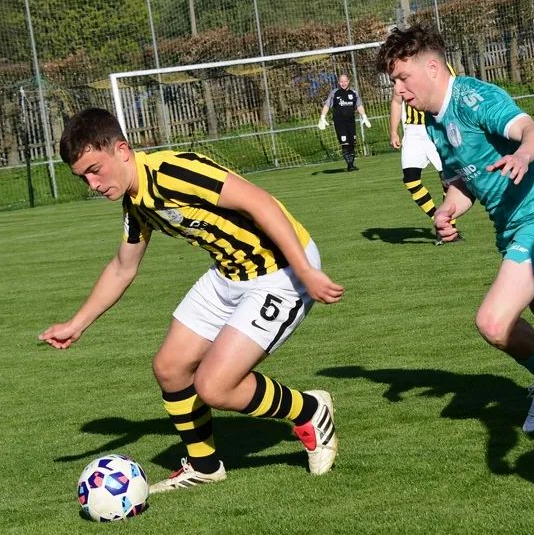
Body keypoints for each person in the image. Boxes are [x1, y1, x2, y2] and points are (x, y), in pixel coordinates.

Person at [39, 108, 343, 492]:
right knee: (170, 367)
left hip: (280, 271)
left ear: (122, 150)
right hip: (229, 273)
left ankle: (310, 410)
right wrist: (76, 324)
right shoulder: (135, 203)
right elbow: (122, 267)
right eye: (83, 177)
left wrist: (305, 270)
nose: (93, 184)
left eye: (95, 170)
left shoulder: (175, 172)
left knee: (214, 387)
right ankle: (205, 466)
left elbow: (260, 202)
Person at [377, 26, 534, 434]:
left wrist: (522, 155)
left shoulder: (475, 98)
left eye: (402, 78)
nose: (398, 91)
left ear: (432, 67)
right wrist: (448, 209)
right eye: (393, 82)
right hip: (513, 227)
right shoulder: (434, 122)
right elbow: (464, 183)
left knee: (493, 322)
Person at [390, 84, 463, 245]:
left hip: (434, 127)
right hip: (412, 133)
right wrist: (393, 131)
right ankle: (439, 220)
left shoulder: (434, 72)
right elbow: (396, 101)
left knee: (448, 180)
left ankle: (450, 226)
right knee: (410, 180)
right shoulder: (401, 79)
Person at [318, 74, 371, 171]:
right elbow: (327, 105)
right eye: (341, 81)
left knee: (352, 143)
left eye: (345, 81)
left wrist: (364, 116)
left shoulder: (354, 93)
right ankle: (350, 165)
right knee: (345, 143)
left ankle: (352, 164)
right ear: (338, 82)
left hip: (351, 122)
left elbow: (359, 105)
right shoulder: (334, 93)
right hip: (339, 122)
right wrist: (322, 117)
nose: (343, 83)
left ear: (348, 81)